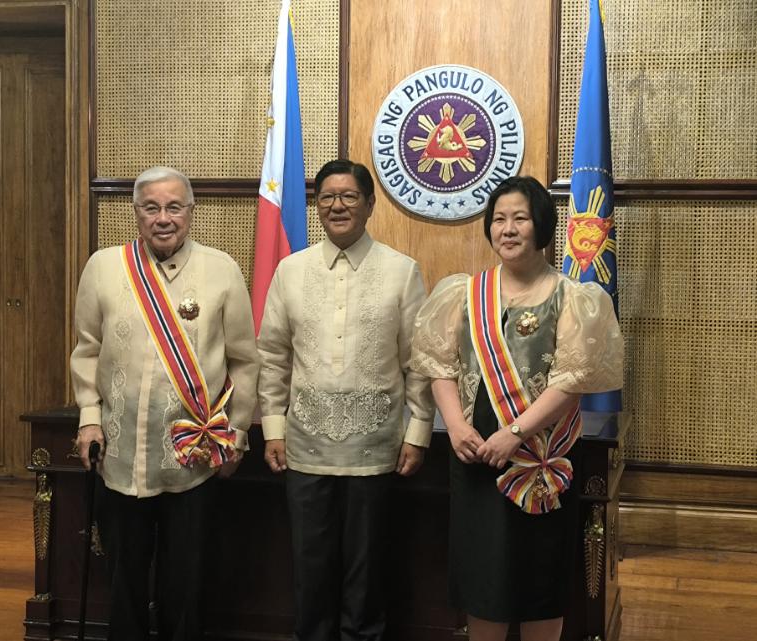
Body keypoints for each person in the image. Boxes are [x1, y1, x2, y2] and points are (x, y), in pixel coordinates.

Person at [410, 176, 623, 641]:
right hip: (475, 453)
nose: (508, 229)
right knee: (484, 576)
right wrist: (454, 424)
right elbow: (437, 365)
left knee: (539, 576)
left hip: (539, 455)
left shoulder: (573, 297)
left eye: (520, 219)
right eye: (500, 219)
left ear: (541, 226)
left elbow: (572, 380)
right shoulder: (463, 293)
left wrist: (515, 433)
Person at [70, 166, 259, 641]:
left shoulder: (222, 270)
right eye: (151, 207)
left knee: (187, 582)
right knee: (124, 579)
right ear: (135, 213)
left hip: (192, 460)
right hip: (120, 455)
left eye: (174, 206)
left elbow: (245, 360)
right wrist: (89, 419)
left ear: (191, 212)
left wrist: (235, 435)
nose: (163, 218)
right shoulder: (104, 266)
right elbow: (85, 349)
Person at [257, 159, 435, 641]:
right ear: (317, 207)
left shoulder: (402, 271)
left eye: (349, 196)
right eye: (327, 197)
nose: (337, 205)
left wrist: (418, 433)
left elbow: (419, 362)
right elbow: (272, 357)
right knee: (309, 568)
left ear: (369, 205)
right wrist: (272, 427)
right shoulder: (290, 271)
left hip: (377, 450)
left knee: (367, 571)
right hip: (304, 448)